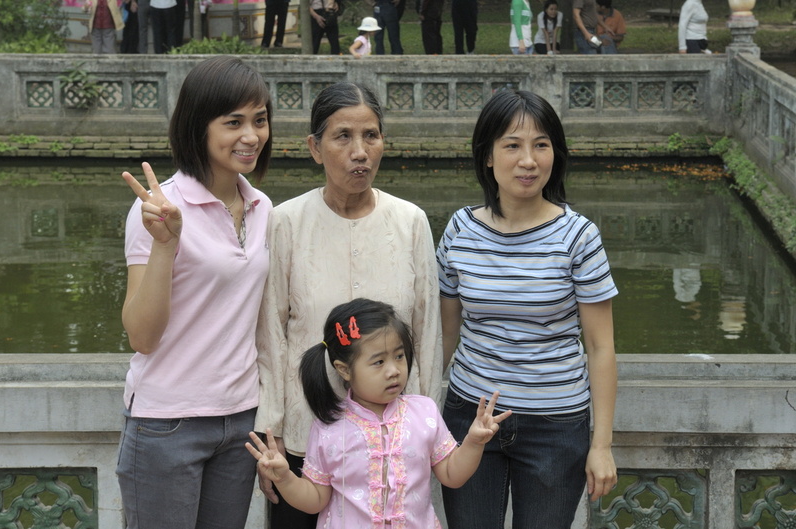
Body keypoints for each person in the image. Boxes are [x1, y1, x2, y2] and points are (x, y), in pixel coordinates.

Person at [255, 81, 444, 529]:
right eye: (343, 137)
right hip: (304, 438)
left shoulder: (410, 222)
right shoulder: (286, 221)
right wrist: (272, 430)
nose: (360, 151)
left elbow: (428, 333)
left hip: (393, 444)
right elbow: (271, 335)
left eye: (371, 136)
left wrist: (426, 430)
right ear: (315, 148)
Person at [437, 89, 619, 528]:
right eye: (512, 145)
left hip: (556, 425)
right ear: (487, 155)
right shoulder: (460, 229)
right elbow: (443, 337)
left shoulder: (578, 236)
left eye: (541, 145)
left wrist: (601, 444)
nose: (528, 160)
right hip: (470, 415)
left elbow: (600, 347)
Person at [115, 56, 274, 529]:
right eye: (233, 122)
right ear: (197, 126)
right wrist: (166, 246)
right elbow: (141, 337)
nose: (251, 135)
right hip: (168, 423)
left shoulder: (263, 207)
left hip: (241, 420)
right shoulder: (158, 209)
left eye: (260, 120)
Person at [246, 298, 511, 527]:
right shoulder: (329, 427)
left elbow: (452, 475)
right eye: (379, 362)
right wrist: (284, 478)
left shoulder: (424, 412)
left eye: (399, 356)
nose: (394, 370)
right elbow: (316, 498)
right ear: (344, 369)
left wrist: (474, 442)